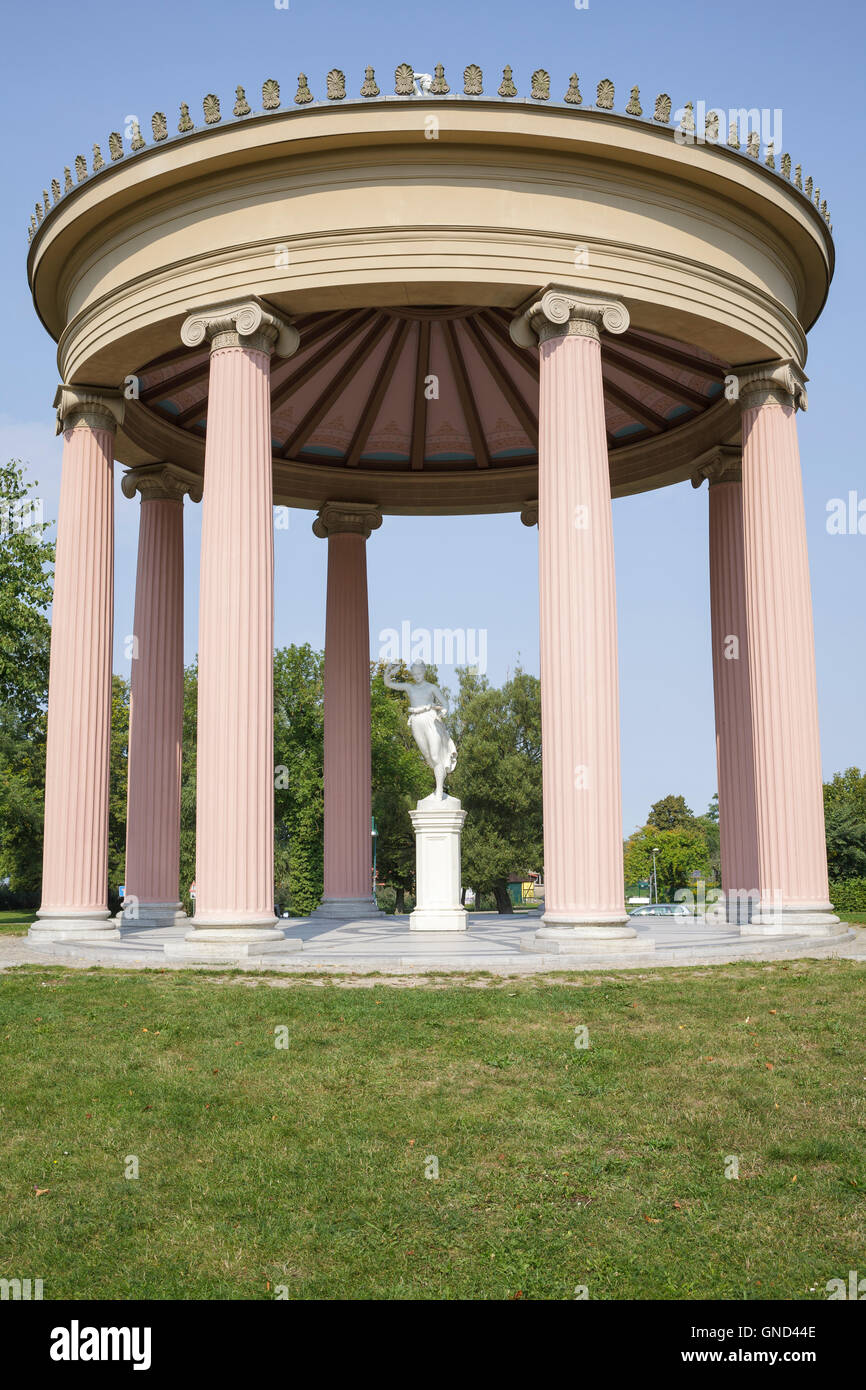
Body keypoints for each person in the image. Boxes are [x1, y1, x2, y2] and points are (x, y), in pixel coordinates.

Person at [384, 660, 457, 800]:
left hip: (430, 719)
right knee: (429, 757)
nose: (417, 676)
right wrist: (389, 671)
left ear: (424, 672)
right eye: (415, 673)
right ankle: (438, 786)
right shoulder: (409, 687)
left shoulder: (431, 687)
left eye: (420, 673)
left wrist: (444, 711)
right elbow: (388, 683)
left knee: (435, 756)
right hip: (416, 722)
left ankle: (440, 790)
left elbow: (445, 703)